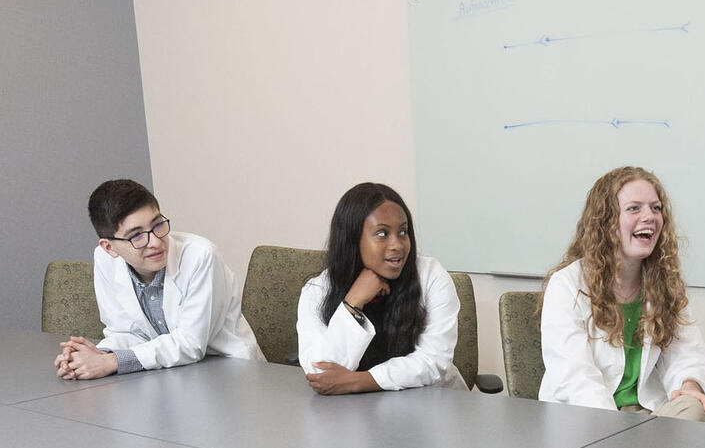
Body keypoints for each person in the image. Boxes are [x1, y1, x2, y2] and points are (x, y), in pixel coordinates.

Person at [540, 166, 705, 422]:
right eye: (634, 208)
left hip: (650, 417)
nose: (650, 217)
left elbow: (687, 354)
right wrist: (617, 433)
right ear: (605, 221)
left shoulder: (665, 284)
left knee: (692, 406)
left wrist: (690, 385)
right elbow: (576, 380)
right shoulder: (566, 285)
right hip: (586, 417)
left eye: (656, 208)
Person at [56, 179, 263, 380]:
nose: (155, 242)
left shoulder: (200, 256)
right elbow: (125, 331)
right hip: (167, 374)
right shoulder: (104, 260)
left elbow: (191, 344)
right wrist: (88, 357)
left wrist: (112, 362)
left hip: (228, 372)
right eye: (136, 235)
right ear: (109, 247)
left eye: (157, 225)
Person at [296, 182, 465, 394]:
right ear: (351, 239)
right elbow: (320, 374)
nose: (397, 245)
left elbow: (433, 361)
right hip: (351, 412)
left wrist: (360, 381)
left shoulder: (431, 275)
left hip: (430, 402)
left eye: (403, 232)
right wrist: (353, 302)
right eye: (382, 234)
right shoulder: (317, 289)